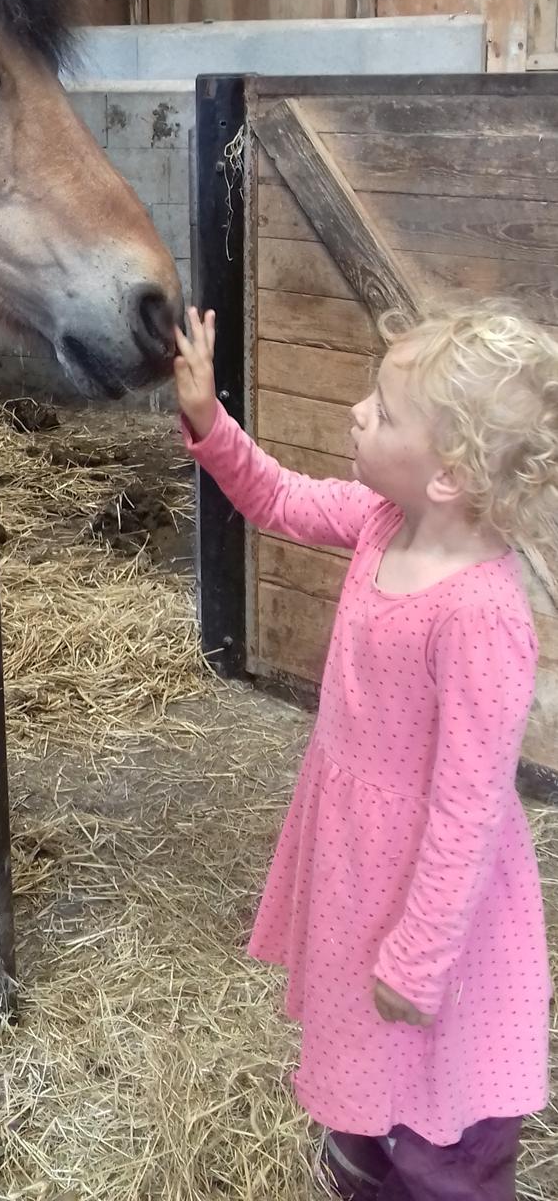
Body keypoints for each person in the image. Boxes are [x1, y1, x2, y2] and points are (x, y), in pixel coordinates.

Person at [173, 300, 556, 1201]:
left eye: (382, 410)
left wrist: (420, 956)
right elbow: (274, 496)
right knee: (365, 1083)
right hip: (360, 870)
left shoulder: (481, 616)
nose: (356, 412)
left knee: (441, 1126)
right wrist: (207, 419)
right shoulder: (383, 523)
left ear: (451, 476)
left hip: (435, 914)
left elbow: (466, 813)